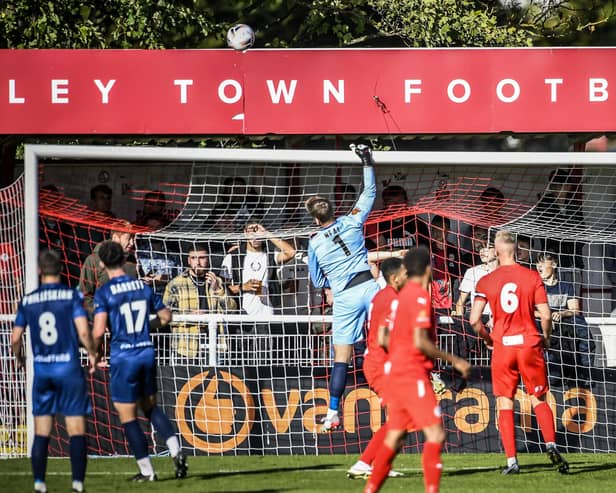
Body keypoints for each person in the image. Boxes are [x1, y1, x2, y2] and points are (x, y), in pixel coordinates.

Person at [364, 247, 471, 493]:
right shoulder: (419, 296)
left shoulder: (397, 296)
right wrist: (454, 360)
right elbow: (421, 341)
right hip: (411, 374)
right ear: (427, 268)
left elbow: (382, 335)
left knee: (395, 436)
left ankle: (369, 489)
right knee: (435, 435)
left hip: (394, 372)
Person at [469, 230, 569, 475]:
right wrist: (546, 338)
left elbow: (473, 320)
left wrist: (488, 339)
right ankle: (551, 443)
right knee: (538, 397)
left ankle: (512, 461)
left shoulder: (486, 281)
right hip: (529, 343)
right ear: (515, 250)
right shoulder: (531, 276)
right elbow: (545, 315)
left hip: (503, 346)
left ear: (497, 251)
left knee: (504, 402)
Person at [92, 241, 187, 481]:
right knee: (151, 407)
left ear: (102, 263)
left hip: (124, 357)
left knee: (128, 416)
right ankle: (176, 451)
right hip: (146, 352)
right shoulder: (142, 287)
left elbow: (98, 330)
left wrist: (95, 354)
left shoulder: (105, 292)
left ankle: (147, 471)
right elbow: (166, 316)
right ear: (124, 260)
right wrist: (147, 325)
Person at [306, 144, 380, 433]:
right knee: (390, 339)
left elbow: (316, 280)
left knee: (341, 357)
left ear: (315, 219)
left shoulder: (315, 242)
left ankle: (334, 411)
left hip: (345, 296)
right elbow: (369, 193)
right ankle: (423, 381)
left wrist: (332, 282)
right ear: (333, 210)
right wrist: (366, 161)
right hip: (369, 286)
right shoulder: (352, 221)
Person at [11, 250, 98, 493]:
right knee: (76, 428)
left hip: (43, 371)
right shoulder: (71, 295)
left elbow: (15, 337)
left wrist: (20, 358)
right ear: (61, 269)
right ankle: (78, 484)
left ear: (39, 271)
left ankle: (39, 484)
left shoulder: (28, 300)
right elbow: (82, 331)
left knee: (42, 431)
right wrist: (92, 352)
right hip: (68, 369)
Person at [347, 258, 407, 480]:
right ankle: (364, 463)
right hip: (382, 365)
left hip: (379, 362)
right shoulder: (391, 299)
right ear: (394, 277)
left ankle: (378, 463)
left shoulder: (383, 296)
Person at [164, 243, 236, 360]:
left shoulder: (216, 281)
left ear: (208, 259)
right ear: (188, 260)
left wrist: (218, 290)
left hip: (215, 344)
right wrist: (189, 317)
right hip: (186, 347)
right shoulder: (176, 284)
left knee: (216, 378)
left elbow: (231, 310)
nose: (197, 263)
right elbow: (164, 316)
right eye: (193, 258)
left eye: (202, 258)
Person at [536, 252, 594, 386]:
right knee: (554, 378)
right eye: (538, 263)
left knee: (581, 326)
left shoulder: (566, 286)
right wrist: (547, 316)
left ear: (554, 264)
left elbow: (575, 310)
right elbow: (528, 310)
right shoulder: (535, 286)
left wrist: (561, 314)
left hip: (563, 322)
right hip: (542, 323)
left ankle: (585, 372)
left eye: (543, 263)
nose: (539, 266)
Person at [221, 223, 296, 318]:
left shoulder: (270, 255)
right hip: (242, 316)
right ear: (245, 233)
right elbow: (221, 289)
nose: (255, 235)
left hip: (267, 315)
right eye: (251, 231)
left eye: (258, 231)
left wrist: (267, 234)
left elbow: (291, 252)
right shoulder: (233, 257)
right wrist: (243, 287)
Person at [79, 225, 137, 315]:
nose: (132, 243)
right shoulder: (93, 260)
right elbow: (85, 296)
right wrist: (100, 316)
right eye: (128, 238)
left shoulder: (133, 261)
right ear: (115, 238)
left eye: (133, 239)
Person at [365, 185, 428, 251]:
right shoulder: (375, 223)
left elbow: (425, 250)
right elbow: (370, 252)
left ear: (406, 202)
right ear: (384, 203)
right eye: (391, 201)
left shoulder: (417, 223)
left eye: (399, 200)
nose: (396, 205)